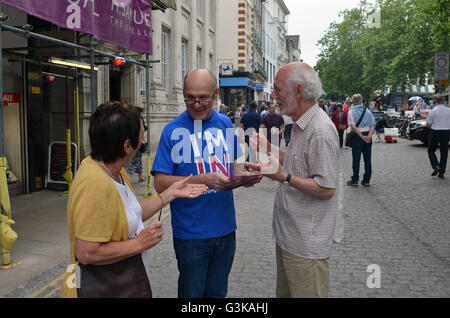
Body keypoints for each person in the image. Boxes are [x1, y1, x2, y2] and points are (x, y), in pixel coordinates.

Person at [61, 101, 207, 298]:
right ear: (127, 145)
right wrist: (139, 243)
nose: (143, 141)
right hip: (100, 289)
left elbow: (129, 212)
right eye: (141, 136)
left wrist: (169, 194)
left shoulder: (114, 171)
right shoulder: (95, 183)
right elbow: (86, 253)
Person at [151, 69, 253, 298]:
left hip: (226, 230)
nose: (196, 104)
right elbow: (160, 183)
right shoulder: (172, 131)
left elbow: (233, 166)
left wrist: (242, 177)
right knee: (192, 296)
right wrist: (203, 179)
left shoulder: (225, 123)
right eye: (190, 98)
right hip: (191, 234)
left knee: (217, 294)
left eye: (203, 98)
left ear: (215, 94)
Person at [246, 62, 339, 298]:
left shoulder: (320, 130)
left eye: (278, 89)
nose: (273, 96)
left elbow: (326, 187)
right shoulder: (301, 124)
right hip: (290, 238)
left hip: (306, 245)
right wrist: (270, 149)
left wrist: (282, 176)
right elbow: (300, 161)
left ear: (298, 90)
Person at [347, 94, 376, 187]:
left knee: (356, 159)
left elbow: (353, 126)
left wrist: (361, 136)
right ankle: (366, 180)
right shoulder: (368, 111)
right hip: (367, 136)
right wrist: (369, 136)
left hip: (357, 137)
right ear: (361, 101)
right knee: (367, 160)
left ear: (353, 102)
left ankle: (355, 179)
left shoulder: (351, 112)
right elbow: (373, 124)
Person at [426, 94, 450, 179]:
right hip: (446, 132)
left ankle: (436, 165)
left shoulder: (433, 111)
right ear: (444, 101)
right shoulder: (449, 110)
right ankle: (441, 173)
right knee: (444, 153)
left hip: (435, 132)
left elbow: (428, 124)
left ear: (435, 102)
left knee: (431, 151)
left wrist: (432, 127)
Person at [125, 117, 147, 182]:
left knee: (129, 161)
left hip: (129, 142)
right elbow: (143, 129)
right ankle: (140, 177)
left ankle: (126, 178)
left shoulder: (124, 116)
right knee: (137, 160)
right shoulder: (139, 117)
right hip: (135, 142)